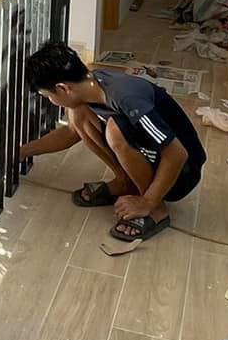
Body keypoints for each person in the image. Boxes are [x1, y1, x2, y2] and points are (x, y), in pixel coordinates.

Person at [18, 39, 206, 245]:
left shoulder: (127, 99)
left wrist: (148, 201)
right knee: (78, 114)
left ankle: (156, 209)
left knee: (115, 131)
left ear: (63, 89)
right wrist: (22, 152)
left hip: (183, 172)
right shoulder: (92, 85)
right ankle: (126, 183)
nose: (50, 101)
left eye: (47, 96)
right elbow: (72, 132)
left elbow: (178, 154)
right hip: (159, 156)